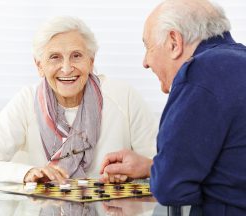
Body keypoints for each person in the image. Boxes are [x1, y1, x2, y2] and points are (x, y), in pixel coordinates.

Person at [0, 16, 158, 184]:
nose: (66, 68)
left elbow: (160, 164)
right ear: (39, 66)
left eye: (76, 56)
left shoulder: (124, 96)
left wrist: (135, 174)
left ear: (91, 61)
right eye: (54, 57)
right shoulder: (26, 101)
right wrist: (26, 173)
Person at [100, 0, 246, 215]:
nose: (145, 62)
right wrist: (152, 167)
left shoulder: (200, 74)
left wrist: (164, 175)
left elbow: (170, 189)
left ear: (174, 42)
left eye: (148, 47)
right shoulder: (238, 61)